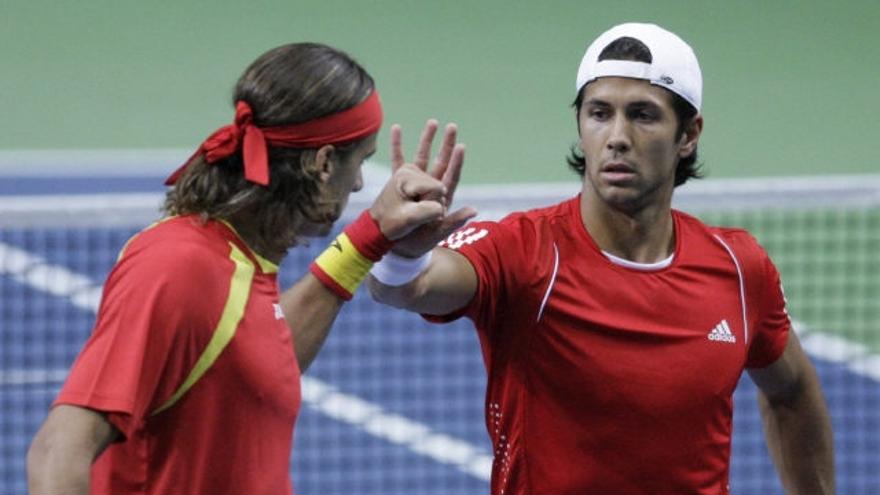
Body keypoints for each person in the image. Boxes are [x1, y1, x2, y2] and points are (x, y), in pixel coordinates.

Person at [368, 23, 835, 494]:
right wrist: (402, 255)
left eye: (642, 115)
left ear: (689, 135)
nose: (616, 136)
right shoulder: (524, 251)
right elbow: (405, 288)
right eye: (598, 113)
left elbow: (792, 391)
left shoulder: (738, 267)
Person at [26, 42, 469, 494]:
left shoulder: (238, 261)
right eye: (359, 161)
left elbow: (252, 369)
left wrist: (370, 238)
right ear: (323, 162)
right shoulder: (178, 268)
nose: (358, 183)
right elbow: (57, 454)